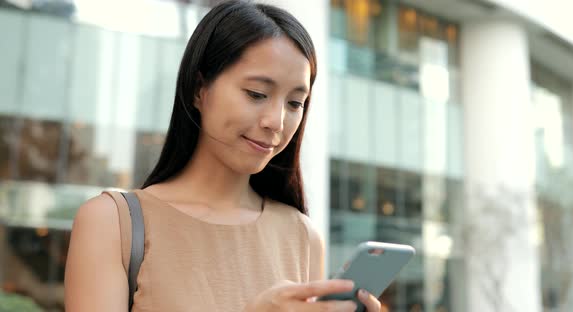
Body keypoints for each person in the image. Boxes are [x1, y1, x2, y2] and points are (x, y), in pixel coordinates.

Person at [64, 1, 381, 311]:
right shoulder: (112, 223)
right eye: (256, 94)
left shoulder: (302, 236)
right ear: (199, 89)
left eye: (295, 103)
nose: (277, 121)